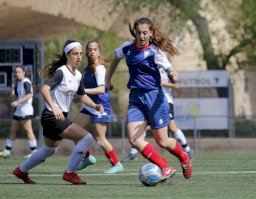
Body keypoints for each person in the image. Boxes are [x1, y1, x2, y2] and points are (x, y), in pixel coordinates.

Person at [106, 17, 192, 181]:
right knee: (134, 140)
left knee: (163, 141)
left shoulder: (155, 51)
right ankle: (165, 167)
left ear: (151, 33)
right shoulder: (127, 48)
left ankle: (184, 157)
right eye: (139, 32)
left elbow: (169, 70)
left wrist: (172, 74)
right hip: (136, 99)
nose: (142, 36)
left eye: (145, 33)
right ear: (135, 33)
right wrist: (107, 80)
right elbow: (116, 58)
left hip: (155, 99)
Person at [13, 40, 104, 185]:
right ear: (67, 55)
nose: (79, 57)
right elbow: (44, 90)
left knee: (49, 150)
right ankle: (70, 173)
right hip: (52, 117)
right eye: (75, 54)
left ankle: (21, 171)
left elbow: (81, 95)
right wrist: (54, 108)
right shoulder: (61, 72)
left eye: (80, 54)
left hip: (57, 117)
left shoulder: (78, 75)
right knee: (86, 138)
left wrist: (95, 105)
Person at [122, 67, 193, 162]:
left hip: (165, 101)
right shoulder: (147, 66)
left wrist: (162, 83)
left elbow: (176, 85)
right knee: (142, 125)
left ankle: (188, 150)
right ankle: (133, 152)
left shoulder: (167, 68)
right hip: (149, 100)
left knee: (172, 128)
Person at [73, 40, 124, 174]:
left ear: (99, 52)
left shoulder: (99, 68)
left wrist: (84, 92)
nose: (91, 52)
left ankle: (117, 164)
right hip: (90, 106)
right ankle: (87, 157)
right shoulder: (86, 69)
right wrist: (76, 97)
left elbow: (101, 89)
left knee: (99, 138)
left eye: (94, 50)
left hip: (100, 107)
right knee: (72, 131)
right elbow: (107, 86)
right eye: (89, 50)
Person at [0, 66, 37, 159]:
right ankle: (7, 151)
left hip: (26, 110)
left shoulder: (26, 82)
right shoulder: (18, 84)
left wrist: (18, 102)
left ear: (24, 72)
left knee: (28, 130)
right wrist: (12, 91)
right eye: (16, 72)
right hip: (19, 111)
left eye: (19, 72)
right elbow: (14, 98)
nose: (17, 74)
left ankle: (35, 152)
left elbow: (29, 94)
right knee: (12, 130)